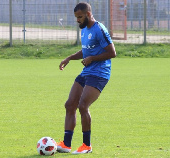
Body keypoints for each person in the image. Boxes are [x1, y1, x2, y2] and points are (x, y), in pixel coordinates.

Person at [57, 2, 116, 154]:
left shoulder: (99, 29)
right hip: (87, 72)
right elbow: (86, 51)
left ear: (88, 14)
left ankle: (86, 146)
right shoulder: (84, 30)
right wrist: (69, 58)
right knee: (70, 104)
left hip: (100, 73)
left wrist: (92, 59)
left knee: (83, 106)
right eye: (76, 17)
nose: (77, 20)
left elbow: (112, 52)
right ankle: (66, 144)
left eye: (80, 17)